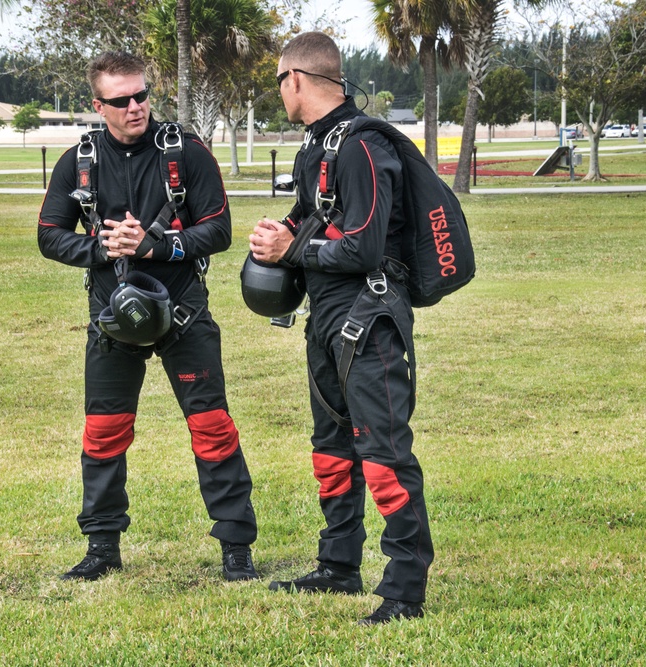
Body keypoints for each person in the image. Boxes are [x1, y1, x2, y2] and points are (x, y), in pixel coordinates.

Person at [38, 51, 258, 582]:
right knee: (104, 431)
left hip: (182, 312)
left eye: (142, 95)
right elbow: (49, 234)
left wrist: (157, 247)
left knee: (212, 427)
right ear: (98, 105)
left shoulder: (185, 151)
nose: (135, 107)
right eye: (121, 100)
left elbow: (220, 229)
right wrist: (102, 248)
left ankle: (236, 549)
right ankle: (101, 547)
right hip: (112, 317)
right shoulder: (79, 160)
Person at [248, 32, 434, 624]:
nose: (279, 92)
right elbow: (312, 222)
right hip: (326, 315)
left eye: (279, 81)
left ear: (296, 80)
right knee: (331, 448)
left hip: (369, 317)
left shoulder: (360, 148)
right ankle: (338, 566)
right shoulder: (315, 149)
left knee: (381, 452)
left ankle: (404, 589)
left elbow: (363, 246)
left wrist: (291, 250)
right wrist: (279, 234)